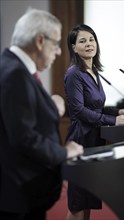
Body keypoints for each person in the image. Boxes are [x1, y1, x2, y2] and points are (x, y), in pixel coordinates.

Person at [0, 8, 84, 220]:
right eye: (55, 44)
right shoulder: (14, 74)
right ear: (39, 41)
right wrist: (64, 152)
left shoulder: (13, 67)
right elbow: (24, 137)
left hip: (22, 192)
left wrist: (49, 103)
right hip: (17, 196)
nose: (58, 52)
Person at [64, 24, 124, 220]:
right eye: (82, 41)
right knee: (77, 202)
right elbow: (79, 111)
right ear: (73, 47)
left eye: (91, 39)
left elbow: (96, 107)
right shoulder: (74, 74)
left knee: (88, 196)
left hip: (95, 138)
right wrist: (114, 120)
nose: (89, 44)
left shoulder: (94, 71)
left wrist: (117, 111)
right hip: (81, 140)